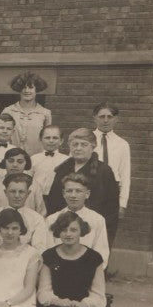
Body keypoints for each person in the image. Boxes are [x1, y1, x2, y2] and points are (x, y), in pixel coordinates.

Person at [42, 129, 119, 237]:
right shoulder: (62, 169)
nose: (78, 148)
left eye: (84, 145)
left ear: (93, 146)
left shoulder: (103, 171)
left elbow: (111, 208)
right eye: (75, 144)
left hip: (92, 229)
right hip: (64, 229)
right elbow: (53, 202)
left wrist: (105, 235)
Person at [34, 172, 111, 264]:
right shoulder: (52, 219)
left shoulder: (97, 220)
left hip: (86, 269)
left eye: (78, 191)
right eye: (69, 191)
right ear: (64, 193)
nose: (73, 195)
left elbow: (102, 253)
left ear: (87, 194)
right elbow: (47, 251)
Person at [92, 103, 131, 243]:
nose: (105, 120)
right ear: (95, 118)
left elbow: (125, 175)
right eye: (102, 116)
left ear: (116, 119)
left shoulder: (122, 144)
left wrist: (122, 203)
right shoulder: (84, 140)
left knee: (107, 236)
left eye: (109, 117)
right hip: (90, 191)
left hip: (111, 193)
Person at [2, 72, 53, 154]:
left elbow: (48, 139)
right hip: (12, 157)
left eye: (31, 87)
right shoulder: (8, 111)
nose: (27, 91)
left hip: (36, 157)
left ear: (36, 90)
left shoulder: (45, 113)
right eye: (23, 88)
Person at [0, 171, 46, 244]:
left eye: (21, 192)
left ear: (28, 193)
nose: (17, 196)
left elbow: (39, 247)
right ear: (6, 193)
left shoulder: (37, 219)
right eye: (12, 191)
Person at [0, 148, 31, 213]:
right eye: (11, 161)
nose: (15, 165)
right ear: (5, 162)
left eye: (20, 162)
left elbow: (40, 213)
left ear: (26, 164)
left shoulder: (34, 187)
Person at [29, 124, 66, 204]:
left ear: (61, 141)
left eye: (55, 138)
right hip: (36, 198)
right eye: (47, 138)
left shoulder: (66, 160)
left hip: (59, 199)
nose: (51, 141)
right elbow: (28, 180)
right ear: (40, 140)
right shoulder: (33, 159)